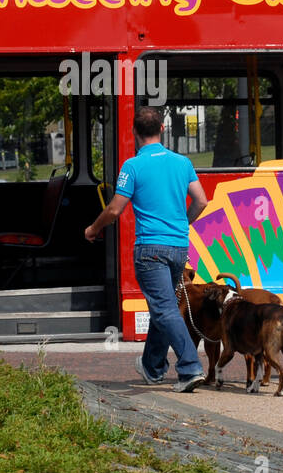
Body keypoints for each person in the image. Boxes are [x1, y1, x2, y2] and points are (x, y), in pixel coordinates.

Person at [85, 106, 210, 392]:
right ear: (162, 129)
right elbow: (201, 201)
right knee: (162, 306)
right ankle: (153, 367)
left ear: (134, 133)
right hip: (179, 247)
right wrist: (182, 223)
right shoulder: (182, 162)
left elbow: (115, 209)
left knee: (164, 308)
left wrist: (93, 229)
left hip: (151, 249)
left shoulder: (133, 166)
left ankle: (190, 368)